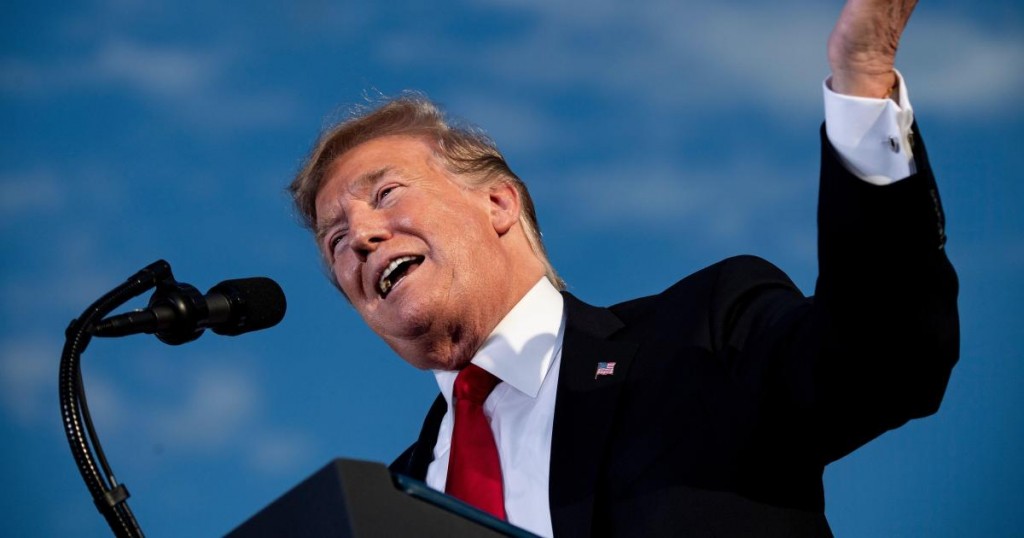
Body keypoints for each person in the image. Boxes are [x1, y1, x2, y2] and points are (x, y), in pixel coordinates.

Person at [288, 0, 958, 536]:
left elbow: (883, 360)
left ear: (497, 203)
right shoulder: (382, 508)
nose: (362, 238)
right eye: (334, 240)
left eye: (384, 194)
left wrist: (863, 77)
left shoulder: (700, 332)